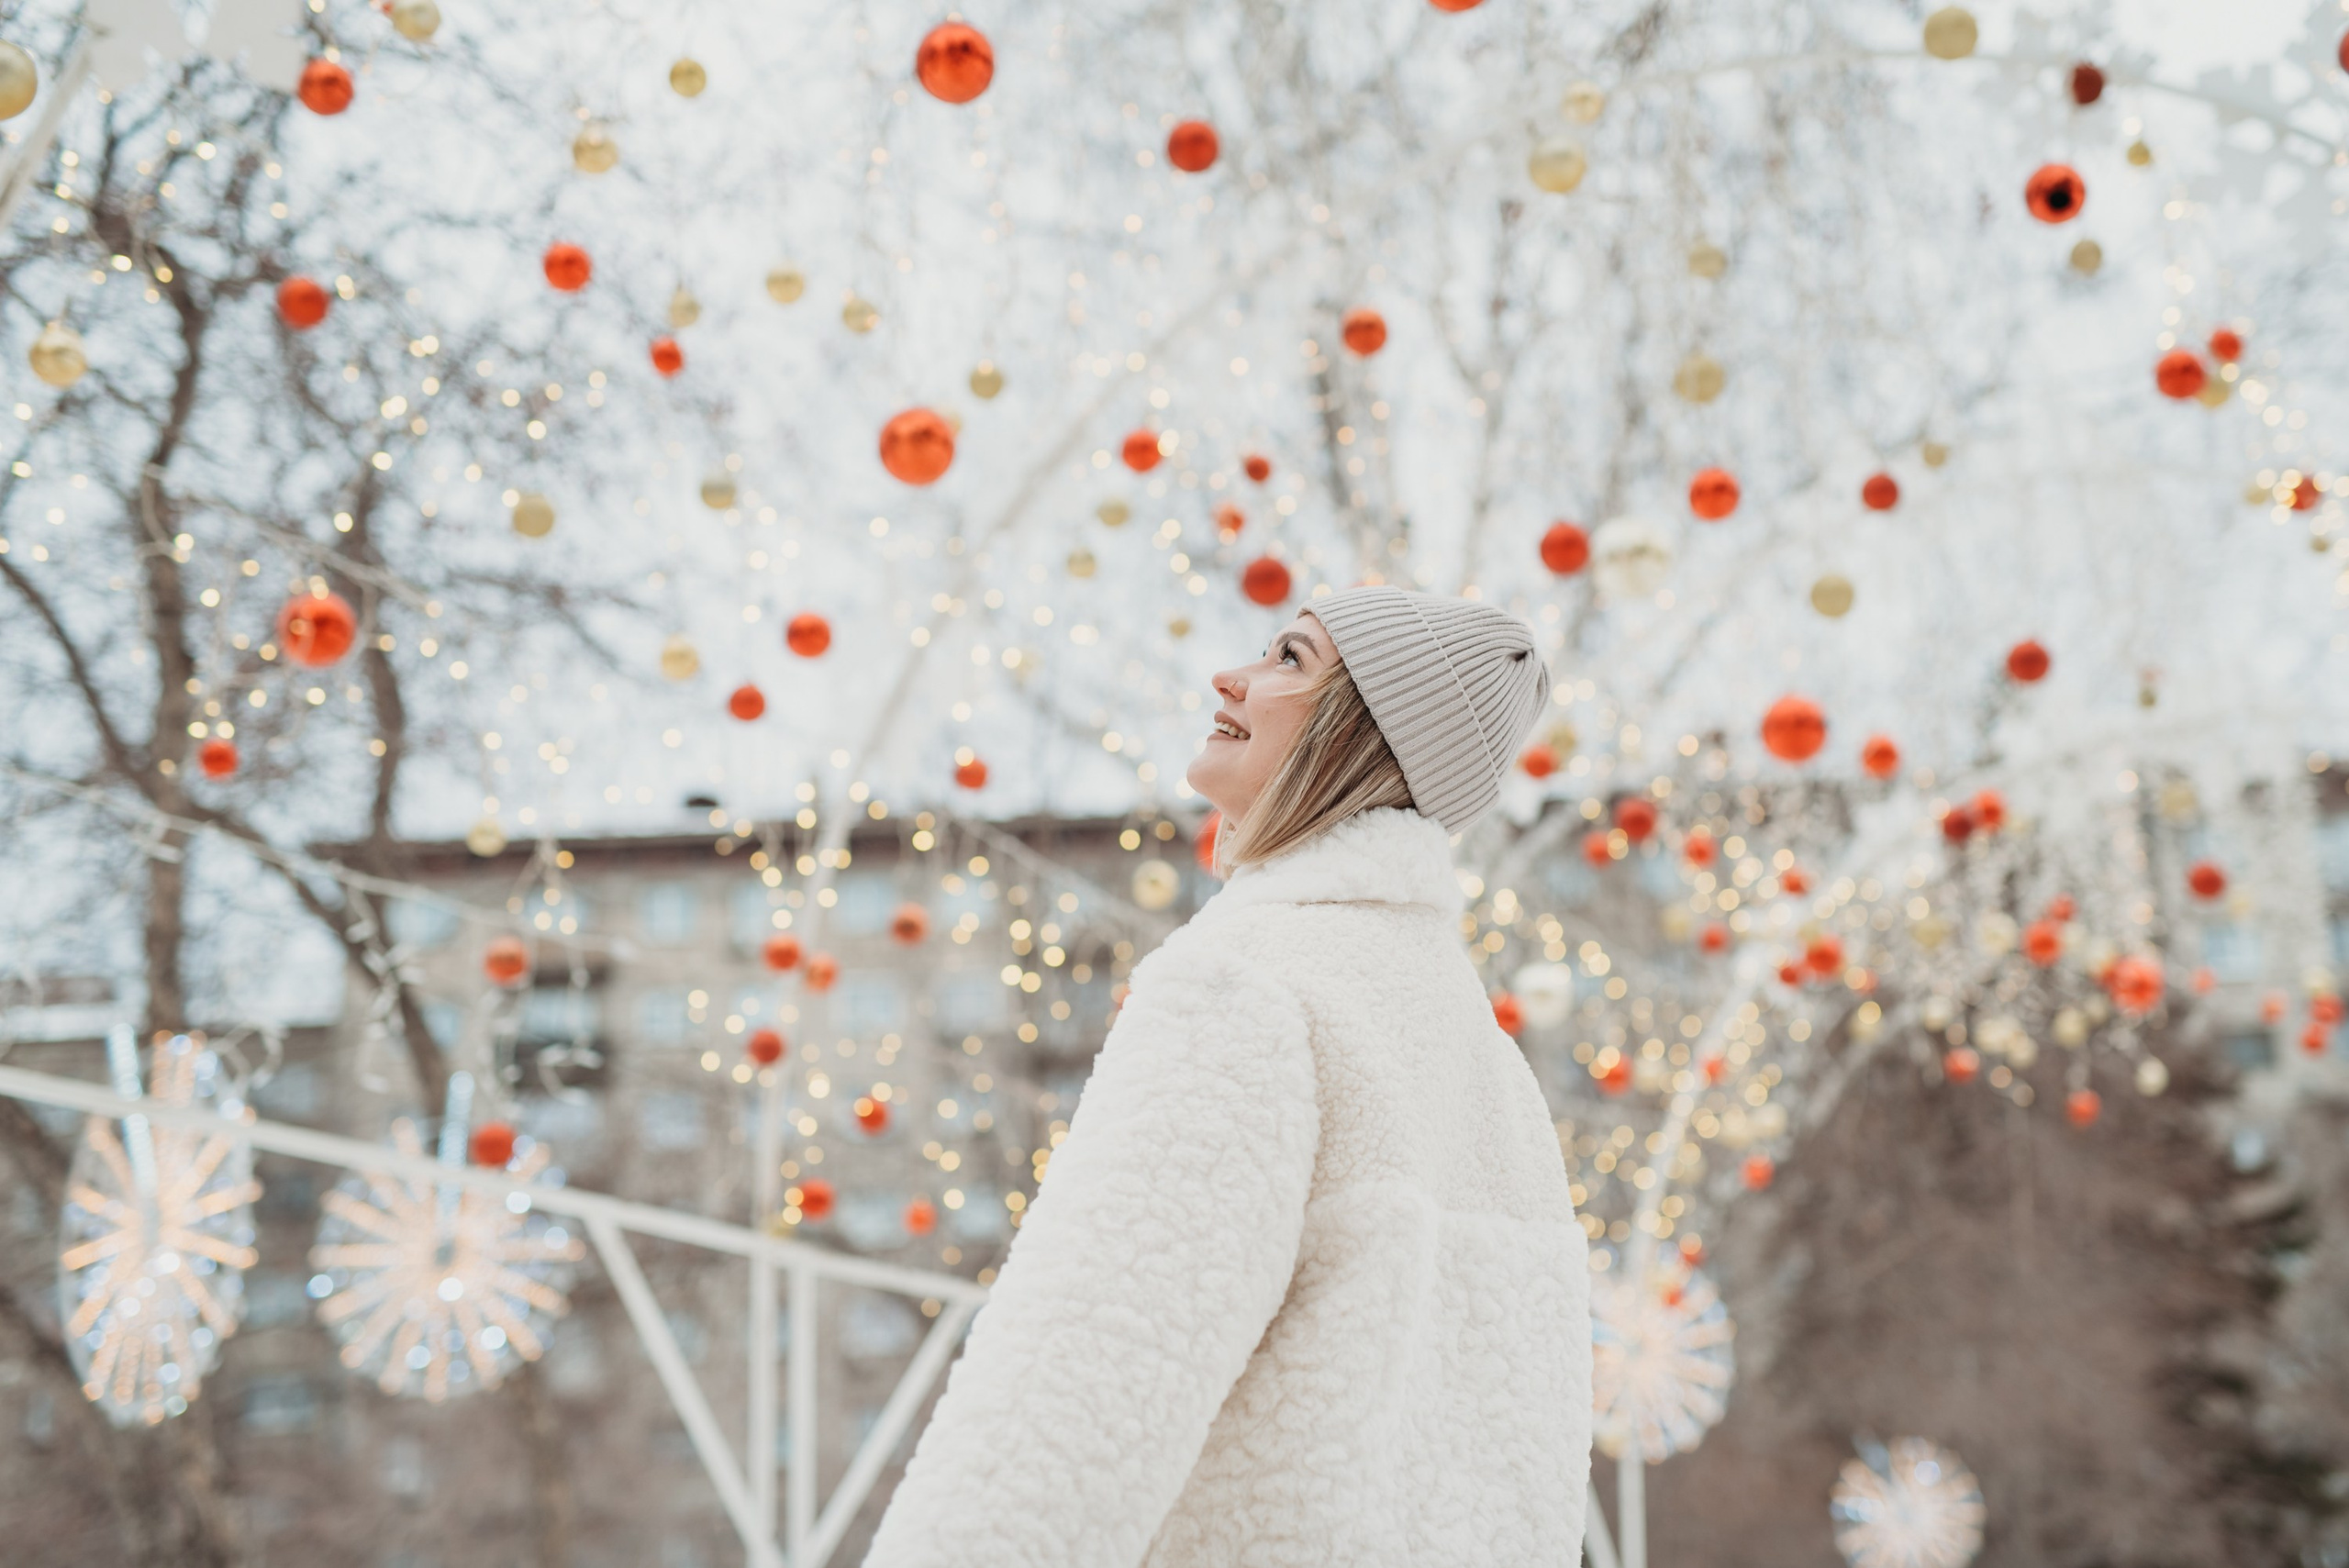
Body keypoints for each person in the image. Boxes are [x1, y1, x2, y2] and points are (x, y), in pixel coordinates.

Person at [863, 586, 1591, 1567]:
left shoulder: (1247, 985)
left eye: (1290, 658)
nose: (1231, 676)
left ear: (1365, 732)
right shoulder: (1491, 1070)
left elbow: (1077, 1393)